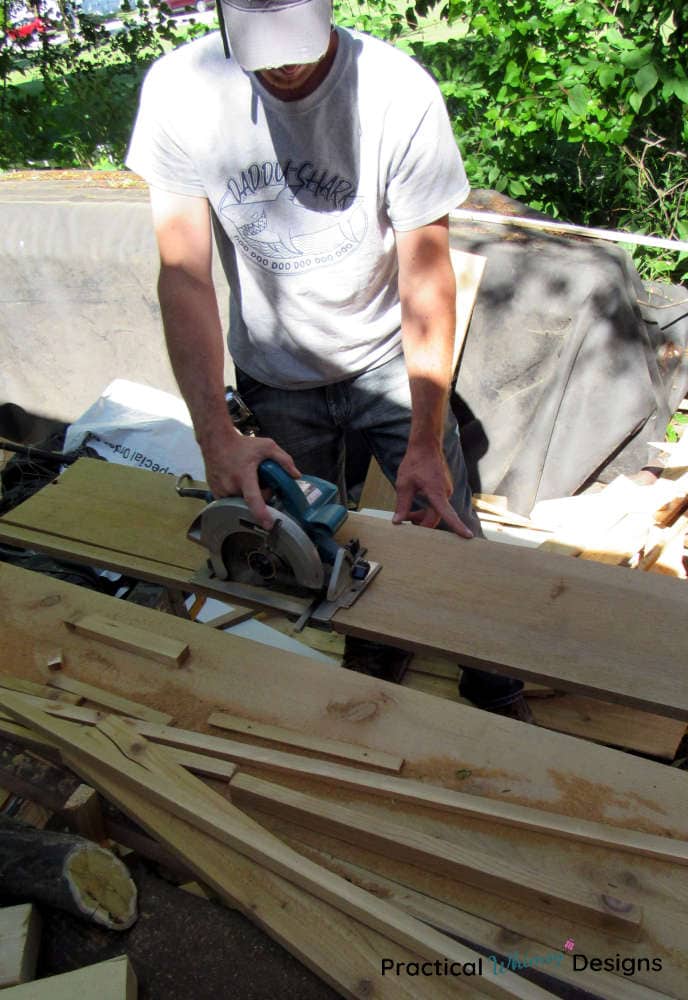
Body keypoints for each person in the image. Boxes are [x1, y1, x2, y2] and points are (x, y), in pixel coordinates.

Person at [126, 0, 530, 719]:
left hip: (388, 361)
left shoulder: (396, 93)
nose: (284, 66)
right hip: (274, 375)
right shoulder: (181, 90)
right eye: (264, 50)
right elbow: (184, 273)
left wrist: (428, 436)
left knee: (450, 526)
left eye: (298, 45)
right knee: (317, 540)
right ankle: (375, 652)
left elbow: (427, 270)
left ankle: (494, 682)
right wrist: (214, 433)